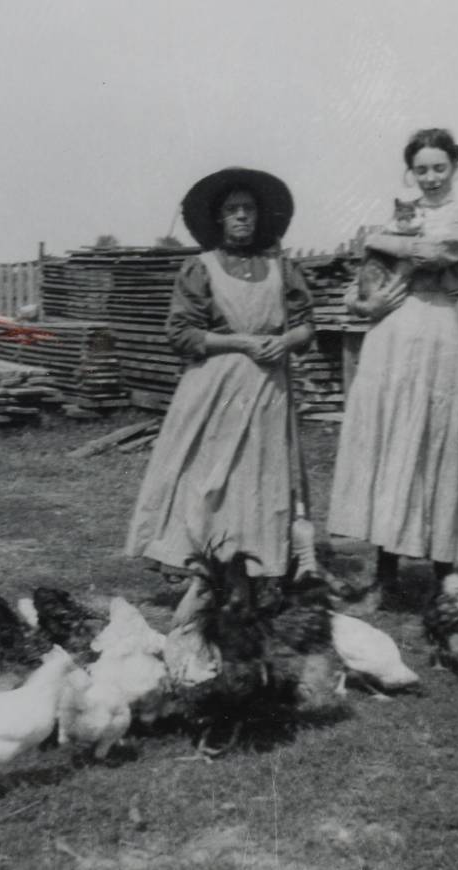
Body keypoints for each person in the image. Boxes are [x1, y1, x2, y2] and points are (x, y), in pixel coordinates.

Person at [124, 167, 314, 590]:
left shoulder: (281, 267)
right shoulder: (201, 268)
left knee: (263, 478)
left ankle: (263, 568)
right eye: (232, 210)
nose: (242, 216)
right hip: (215, 391)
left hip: (269, 390)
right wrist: (243, 343)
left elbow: (305, 325)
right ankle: (203, 566)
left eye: (249, 208)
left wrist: (285, 342)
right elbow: (181, 332)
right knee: (212, 479)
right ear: (219, 219)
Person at [328, 128, 458, 610]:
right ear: (410, 172)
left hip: (436, 330)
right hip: (390, 333)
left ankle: (446, 578)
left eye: (440, 167)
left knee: (436, 445)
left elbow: (437, 253)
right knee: (389, 445)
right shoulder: (401, 217)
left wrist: (379, 239)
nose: (431, 177)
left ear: (455, 168)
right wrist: (365, 302)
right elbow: (358, 290)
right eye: (421, 169)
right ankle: (383, 580)